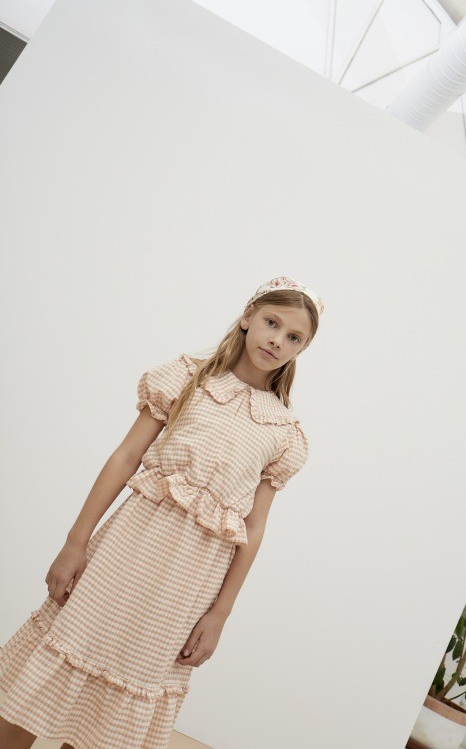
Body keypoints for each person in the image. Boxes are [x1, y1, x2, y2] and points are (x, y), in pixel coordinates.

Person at [0, 275, 324, 749]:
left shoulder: (284, 433)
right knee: (60, 653)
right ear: (248, 315)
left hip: (187, 587)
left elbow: (254, 528)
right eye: (272, 323)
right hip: (126, 551)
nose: (278, 340)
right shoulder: (188, 378)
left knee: (112, 708)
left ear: (302, 349)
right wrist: (75, 542)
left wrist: (220, 613)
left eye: (294, 337)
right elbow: (125, 457)